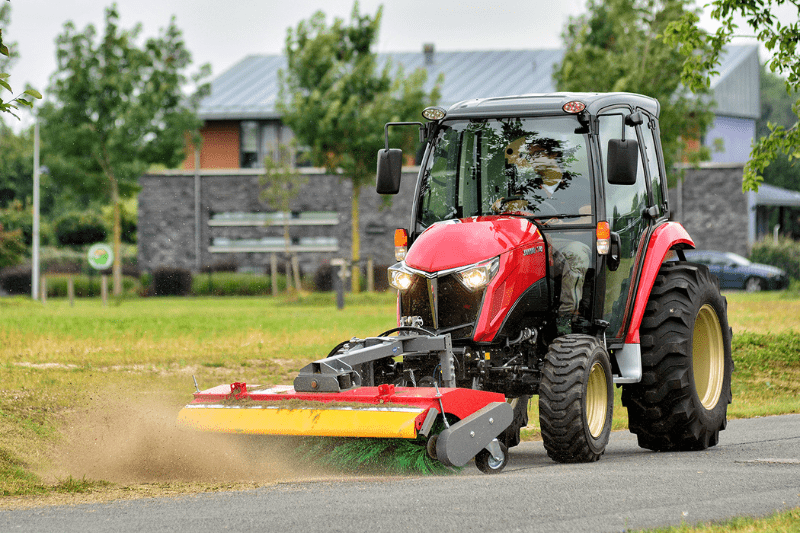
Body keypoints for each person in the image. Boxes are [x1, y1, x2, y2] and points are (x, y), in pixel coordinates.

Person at [494, 137, 592, 322]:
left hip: (564, 244)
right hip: (533, 244)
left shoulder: (578, 184)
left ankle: (567, 317)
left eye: (538, 154)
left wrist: (562, 226)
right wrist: (501, 207)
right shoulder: (527, 188)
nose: (533, 159)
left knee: (577, 253)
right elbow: (513, 213)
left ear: (554, 154)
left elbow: (589, 220)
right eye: (530, 156)